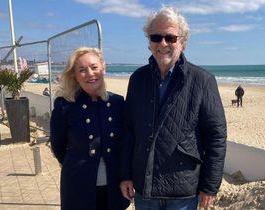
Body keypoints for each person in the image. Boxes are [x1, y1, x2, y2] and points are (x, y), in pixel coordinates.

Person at [120, 6, 227, 210]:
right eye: (156, 37)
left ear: (183, 42)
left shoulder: (202, 80)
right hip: (145, 189)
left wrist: (210, 186)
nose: (162, 43)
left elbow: (216, 137)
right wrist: (125, 175)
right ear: (149, 42)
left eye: (170, 38)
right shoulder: (137, 79)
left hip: (183, 192)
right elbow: (128, 131)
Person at [50, 47, 129, 210]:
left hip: (114, 187)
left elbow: (125, 143)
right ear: (75, 76)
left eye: (94, 67)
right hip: (78, 186)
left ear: (103, 68)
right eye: (82, 70)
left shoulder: (117, 103)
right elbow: (58, 147)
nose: (90, 74)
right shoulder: (64, 106)